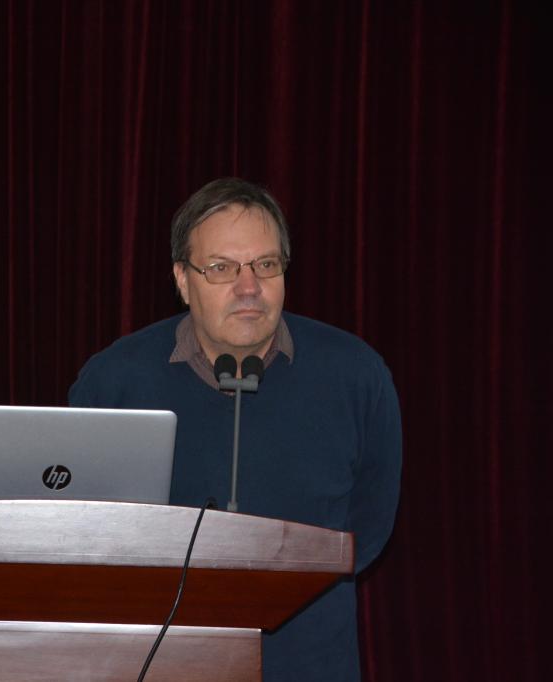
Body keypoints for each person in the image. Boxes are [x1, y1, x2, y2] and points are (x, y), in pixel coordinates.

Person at [69, 177, 402, 681]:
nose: (249, 288)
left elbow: (369, 527)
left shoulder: (356, 377)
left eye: (265, 265)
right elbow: (83, 529)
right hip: (158, 664)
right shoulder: (115, 381)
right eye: (221, 268)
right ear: (183, 280)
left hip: (309, 662)